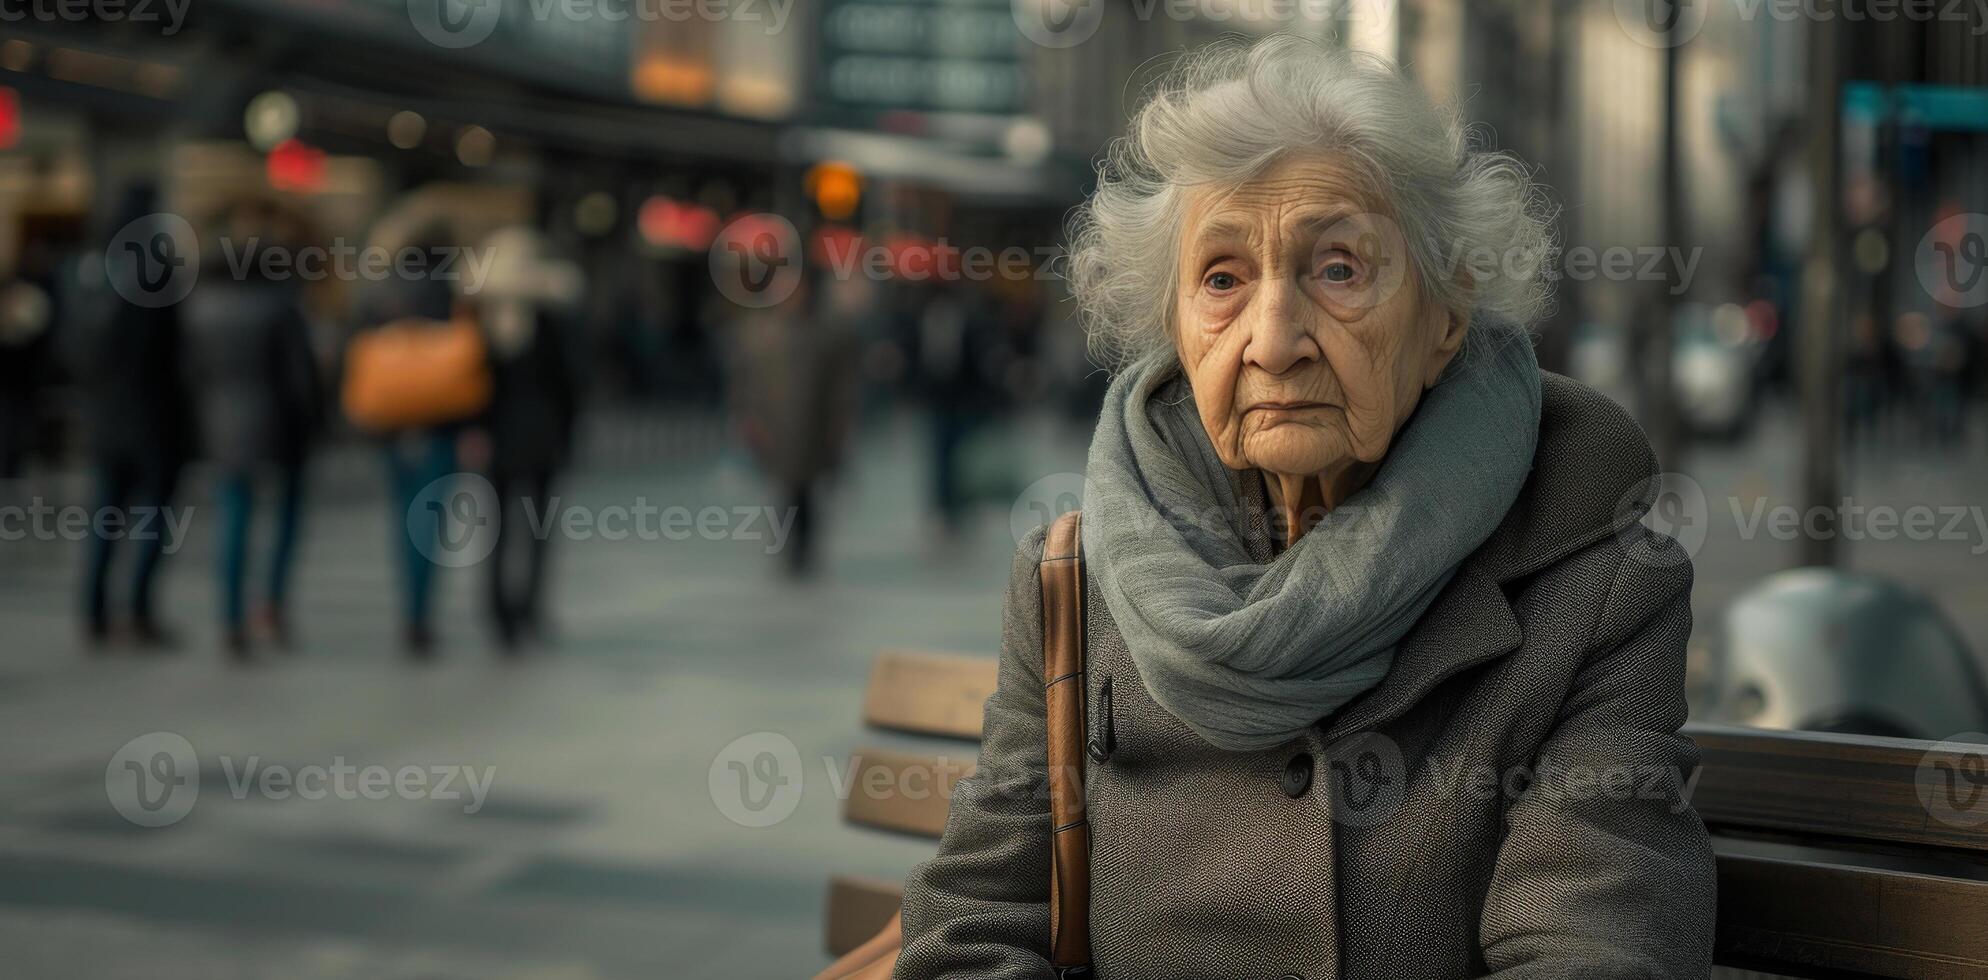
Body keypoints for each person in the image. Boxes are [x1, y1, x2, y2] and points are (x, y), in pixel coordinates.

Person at [894, 36, 1715, 979]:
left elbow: (1594, 947)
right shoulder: (1071, 587)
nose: (1273, 341)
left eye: (1338, 269)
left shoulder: (1601, 592)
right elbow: (968, 930)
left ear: (1447, 316)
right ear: (1174, 328)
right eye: (1222, 279)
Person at [183, 202, 323, 659]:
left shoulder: (199, 304)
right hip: (278, 424)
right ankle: (272, 603)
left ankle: (231, 616)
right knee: (285, 513)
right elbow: (301, 377)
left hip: (220, 422)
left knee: (234, 517)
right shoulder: (280, 304)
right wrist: (314, 421)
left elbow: (191, 371)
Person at [75, 184, 196, 649]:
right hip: (152, 417)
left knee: (104, 520)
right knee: (151, 521)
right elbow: (171, 352)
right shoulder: (156, 272)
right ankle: (139, 611)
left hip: (106, 416)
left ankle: (95, 612)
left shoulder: (94, 271)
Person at [471, 226, 582, 648]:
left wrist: (476, 431)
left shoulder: (485, 325)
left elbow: (475, 388)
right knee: (535, 530)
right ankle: (529, 607)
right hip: (543, 439)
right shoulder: (553, 322)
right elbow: (572, 384)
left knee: (497, 531)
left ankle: (498, 610)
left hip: (497, 441)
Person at [727, 272, 860, 577]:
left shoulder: (824, 332)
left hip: (812, 426)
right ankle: (788, 546)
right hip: (774, 425)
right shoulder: (759, 331)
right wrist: (745, 417)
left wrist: (840, 420)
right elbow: (743, 380)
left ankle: (803, 548)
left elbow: (841, 384)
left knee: (805, 490)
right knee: (784, 488)